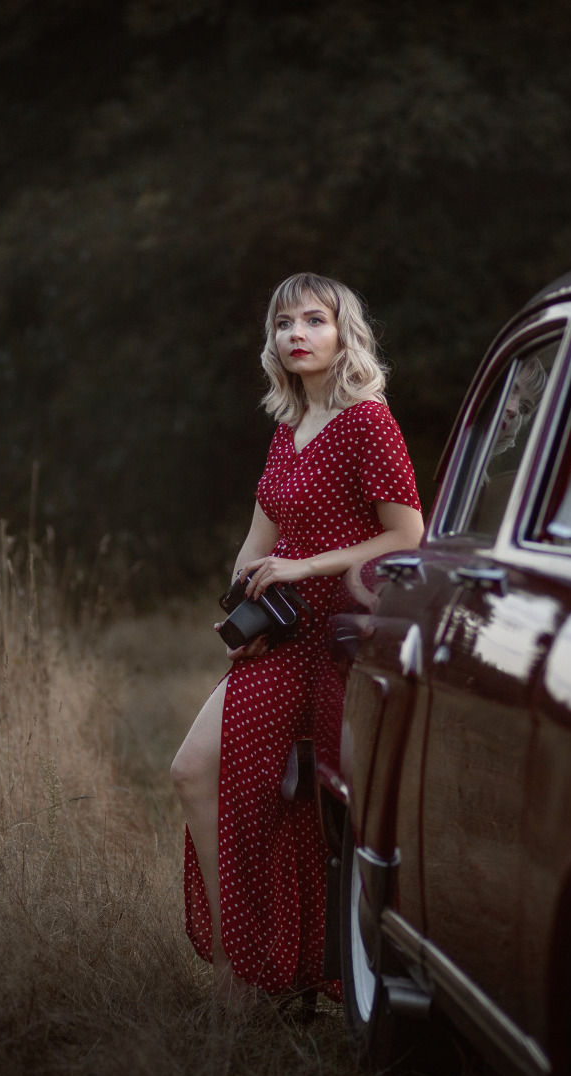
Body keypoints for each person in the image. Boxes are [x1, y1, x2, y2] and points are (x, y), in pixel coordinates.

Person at [169, 273, 424, 1004]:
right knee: (197, 773)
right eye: (285, 323)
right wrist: (239, 616)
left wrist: (304, 565)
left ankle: (317, 973)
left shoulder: (368, 421)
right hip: (280, 637)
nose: (298, 334)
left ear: (345, 333)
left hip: (342, 636)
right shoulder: (287, 428)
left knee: (326, 811)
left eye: (315, 320)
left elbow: (408, 536)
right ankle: (239, 965)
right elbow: (255, 547)